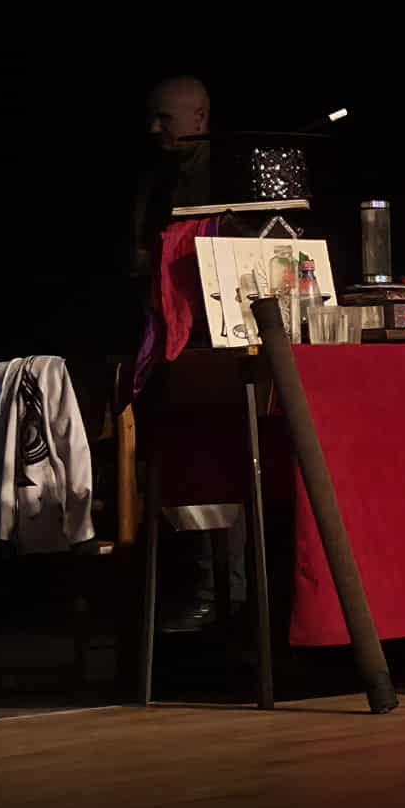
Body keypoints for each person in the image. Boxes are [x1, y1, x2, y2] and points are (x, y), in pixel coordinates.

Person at [128, 74, 243, 633]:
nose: (154, 129)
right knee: (175, 469)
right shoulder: (154, 177)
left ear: (199, 119)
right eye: (151, 118)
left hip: (217, 344)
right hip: (165, 346)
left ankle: (227, 596)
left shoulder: (231, 175)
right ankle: (189, 594)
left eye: (165, 119)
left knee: (222, 468)